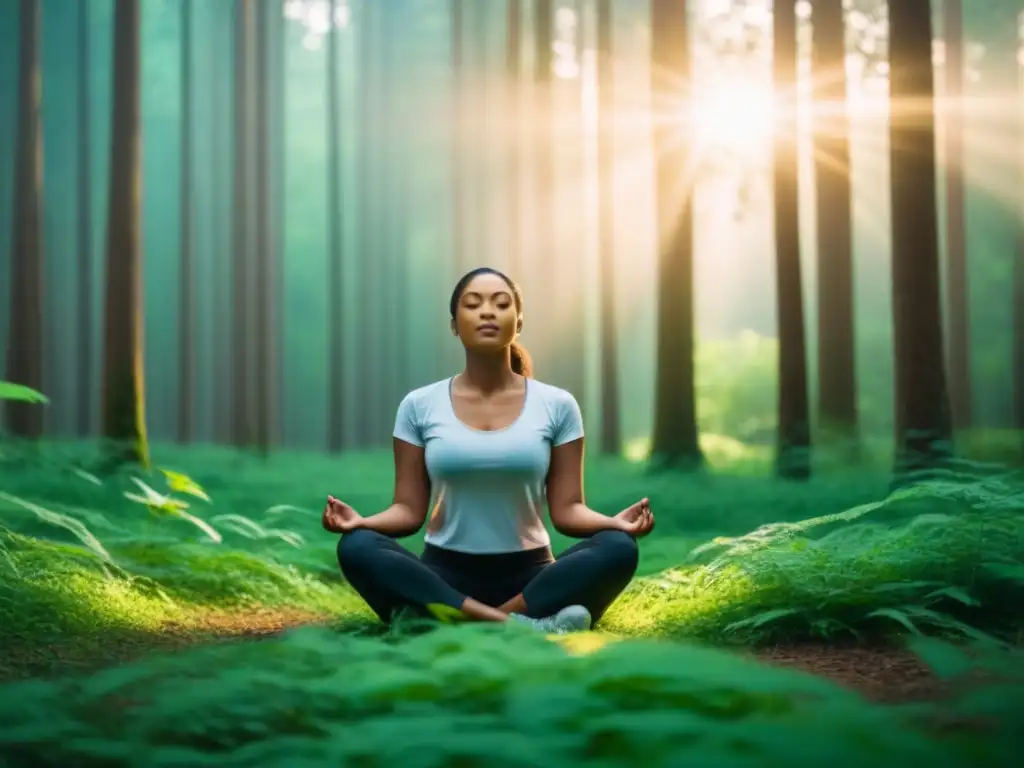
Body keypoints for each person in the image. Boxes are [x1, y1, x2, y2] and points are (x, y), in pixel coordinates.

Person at [323, 266, 655, 634]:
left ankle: (447, 620)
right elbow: (408, 510)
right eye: (473, 304)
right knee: (357, 546)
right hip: (443, 574)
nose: (487, 312)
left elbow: (568, 510)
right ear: (454, 324)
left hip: (529, 579)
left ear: (519, 320)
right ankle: (524, 626)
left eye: (501, 303)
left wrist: (615, 524)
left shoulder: (557, 404)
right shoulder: (419, 404)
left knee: (618, 548)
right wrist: (361, 523)